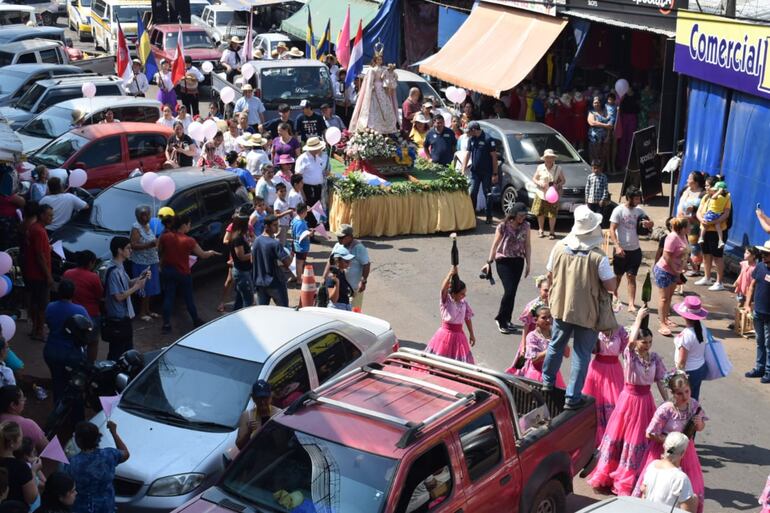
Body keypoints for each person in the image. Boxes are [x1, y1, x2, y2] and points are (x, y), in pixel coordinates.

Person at [587, 308, 668, 495]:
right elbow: (630, 342)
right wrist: (639, 318)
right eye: (643, 341)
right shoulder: (630, 357)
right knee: (622, 436)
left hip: (646, 402)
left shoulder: (654, 358)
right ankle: (613, 472)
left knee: (640, 438)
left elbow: (661, 382)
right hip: (629, 400)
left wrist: (667, 403)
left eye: (649, 342)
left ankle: (634, 473)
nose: (647, 345)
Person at [542, 205, 616, 409]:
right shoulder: (599, 257)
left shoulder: (558, 247)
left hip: (561, 306)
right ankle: (572, 397)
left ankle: (547, 382)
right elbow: (611, 286)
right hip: (588, 311)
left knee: (555, 344)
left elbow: (550, 275)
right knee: (581, 354)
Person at [633, 373, 706, 513]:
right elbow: (649, 433)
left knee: (689, 484)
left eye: (687, 391)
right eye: (679, 393)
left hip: (686, 451)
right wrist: (671, 442)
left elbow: (701, 428)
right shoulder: (666, 409)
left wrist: (699, 424)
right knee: (661, 485)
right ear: (672, 393)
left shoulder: (694, 405)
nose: (685, 396)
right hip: (665, 450)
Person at [158, 215, 219, 333]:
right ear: (184, 225)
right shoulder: (189, 240)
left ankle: (166, 324)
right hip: (183, 273)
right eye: (189, 224)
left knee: (169, 297)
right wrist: (211, 252)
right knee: (188, 298)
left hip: (168, 271)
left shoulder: (165, 237)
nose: (190, 227)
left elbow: (160, 252)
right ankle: (195, 320)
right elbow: (203, 255)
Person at [481, 202, 531, 334]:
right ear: (514, 214)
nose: (522, 218)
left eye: (524, 216)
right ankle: (500, 319)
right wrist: (489, 261)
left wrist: (528, 263)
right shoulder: (503, 226)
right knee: (509, 291)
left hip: (518, 261)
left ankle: (507, 319)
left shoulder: (526, 226)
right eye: (520, 216)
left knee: (512, 292)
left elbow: (527, 245)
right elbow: (495, 244)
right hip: (503, 261)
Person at [583, 321, 630, 446]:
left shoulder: (621, 330)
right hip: (597, 370)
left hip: (614, 370)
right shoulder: (594, 328)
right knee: (596, 402)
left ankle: (614, 434)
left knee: (615, 403)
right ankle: (595, 434)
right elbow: (591, 349)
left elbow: (628, 350)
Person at [66, 421, 128, 513]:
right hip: (106, 506)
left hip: (82, 508)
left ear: (78, 441)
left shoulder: (72, 463)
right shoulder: (109, 455)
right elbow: (125, 453)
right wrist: (114, 432)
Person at [609, 186, 653, 313]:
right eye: (636, 198)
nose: (638, 201)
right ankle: (614, 295)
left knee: (631, 277)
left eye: (639, 198)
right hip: (621, 250)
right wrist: (617, 247)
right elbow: (612, 229)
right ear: (628, 198)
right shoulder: (618, 210)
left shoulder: (639, 211)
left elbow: (650, 222)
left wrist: (650, 224)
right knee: (617, 276)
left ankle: (631, 304)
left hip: (635, 250)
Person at [44, 280, 88, 403]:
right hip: (71, 353)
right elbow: (88, 328)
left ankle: (58, 411)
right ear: (73, 293)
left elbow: (48, 322)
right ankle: (75, 416)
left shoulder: (50, 306)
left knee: (57, 383)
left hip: (52, 350)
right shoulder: (80, 310)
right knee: (75, 386)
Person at [103, 236, 147, 360]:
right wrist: (137, 287)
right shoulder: (113, 271)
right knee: (117, 353)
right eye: (128, 248)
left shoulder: (120, 267)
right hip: (118, 319)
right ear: (119, 250)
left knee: (126, 350)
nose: (130, 251)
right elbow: (118, 296)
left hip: (124, 317)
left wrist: (141, 277)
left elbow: (128, 283)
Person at [636, 432, 698, 511]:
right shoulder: (681, 479)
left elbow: (644, 494)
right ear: (682, 453)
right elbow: (688, 511)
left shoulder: (652, 466)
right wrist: (695, 500)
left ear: (664, 446)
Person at [425, 267, 475, 363]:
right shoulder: (446, 301)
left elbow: (467, 318)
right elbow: (443, 288)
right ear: (453, 294)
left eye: (465, 293)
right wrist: (450, 274)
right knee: (440, 362)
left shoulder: (464, 303)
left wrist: (471, 334)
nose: (464, 296)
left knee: (458, 363)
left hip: (459, 337)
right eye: (462, 294)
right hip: (444, 336)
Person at [62, 250, 103, 362]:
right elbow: (99, 295)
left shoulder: (67, 273)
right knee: (93, 342)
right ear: (90, 263)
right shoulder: (93, 277)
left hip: (70, 313)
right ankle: (90, 365)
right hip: (91, 314)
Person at [512, 305, 567, 387]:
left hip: (554, 373)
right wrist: (553, 347)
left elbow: (567, 354)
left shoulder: (554, 334)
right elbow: (534, 359)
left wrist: (563, 339)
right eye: (544, 318)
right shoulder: (532, 336)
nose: (548, 320)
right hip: (537, 375)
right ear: (535, 320)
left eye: (550, 317)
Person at [653, 217, 689, 336]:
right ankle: (662, 323)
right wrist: (676, 270)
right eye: (688, 226)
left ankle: (666, 318)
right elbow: (666, 256)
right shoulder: (672, 237)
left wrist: (685, 265)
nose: (691, 228)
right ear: (683, 228)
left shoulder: (683, 236)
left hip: (675, 271)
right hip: (664, 271)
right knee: (663, 298)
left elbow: (685, 252)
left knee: (669, 297)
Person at [695, 175, 731, 291]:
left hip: (717, 232)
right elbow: (698, 212)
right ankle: (707, 277)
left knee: (717, 257)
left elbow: (726, 214)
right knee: (706, 254)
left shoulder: (725, 197)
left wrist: (714, 222)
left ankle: (719, 282)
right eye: (705, 185)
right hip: (704, 230)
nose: (706, 188)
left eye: (708, 186)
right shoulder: (705, 197)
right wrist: (702, 220)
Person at [22, 204, 52, 341]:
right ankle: (39, 330)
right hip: (39, 274)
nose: (52, 218)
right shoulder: (39, 231)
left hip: (32, 273)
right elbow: (40, 256)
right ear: (41, 215)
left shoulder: (34, 228)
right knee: (42, 304)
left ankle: (35, 329)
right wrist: (48, 276)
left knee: (34, 302)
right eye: (49, 215)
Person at [349, 51, 398, 133]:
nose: (380, 61)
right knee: (373, 109)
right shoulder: (372, 70)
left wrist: (390, 72)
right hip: (374, 91)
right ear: (375, 60)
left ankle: (387, 127)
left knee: (386, 108)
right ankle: (373, 128)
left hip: (383, 90)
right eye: (378, 59)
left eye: (381, 59)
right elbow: (369, 82)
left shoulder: (384, 69)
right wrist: (371, 89)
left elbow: (390, 78)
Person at [671, 296, 709, 400]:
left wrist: (678, 376)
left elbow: (682, 361)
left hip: (689, 372)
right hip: (699, 368)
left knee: (684, 400)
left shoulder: (686, 335)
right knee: (693, 398)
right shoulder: (701, 326)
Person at [325, 224, 371, 310]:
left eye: (341, 237)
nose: (339, 239)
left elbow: (366, 264)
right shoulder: (338, 245)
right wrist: (324, 277)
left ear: (350, 236)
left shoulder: (359, 248)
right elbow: (330, 261)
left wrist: (363, 281)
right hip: (338, 289)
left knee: (354, 311)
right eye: (338, 236)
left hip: (353, 289)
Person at [461, 121, 498, 224]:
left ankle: (489, 216)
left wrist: (495, 173)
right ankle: (473, 215)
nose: (467, 133)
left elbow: (494, 157)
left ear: (474, 130)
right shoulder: (471, 139)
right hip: (475, 172)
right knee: (473, 192)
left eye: (469, 131)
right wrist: (463, 168)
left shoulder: (488, 139)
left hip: (487, 172)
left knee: (488, 194)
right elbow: (468, 154)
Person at [128, 205, 160, 323]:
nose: (145, 217)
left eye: (147, 214)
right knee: (144, 288)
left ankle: (148, 310)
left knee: (150, 288)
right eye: (143, 215)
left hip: (152, 261)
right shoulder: (136, 228)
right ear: (138, 216)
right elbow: (134, 245)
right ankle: (142, 313)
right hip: (142, 263)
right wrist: (149, 245)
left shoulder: (149, 225)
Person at [251, 214, 291, 306]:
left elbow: (252, 261)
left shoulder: (256, 241)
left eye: (278, 224)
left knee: (263, 312)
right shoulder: (275, 244)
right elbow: (288, 263)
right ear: (266, 226)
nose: (277, 227)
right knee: (284, 311)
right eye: (275, 225)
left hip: (260, 283)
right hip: (275, 284)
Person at [745, 241, 770, 382]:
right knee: (760, 341)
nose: (763, 256)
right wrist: (748, 304)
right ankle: (760, 368)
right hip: (758, 313)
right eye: (763, 253)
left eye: (767, 254)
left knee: (769, 344)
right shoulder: (760, 267)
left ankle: (768, 371)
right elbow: (751, 286)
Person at [235, 380, 280, 450]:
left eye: (265, 398)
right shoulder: (247, 416)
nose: (262, 402)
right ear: (253, 398)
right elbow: (239, 446)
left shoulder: (279, 413)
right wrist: (249, 432)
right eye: (259, 398)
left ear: (270, 397)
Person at [0, 422, 37, 506]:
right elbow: (31, 498)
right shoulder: (21, 467)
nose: (22, 438)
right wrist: (34, 471)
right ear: (12, 443)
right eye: (20, 436)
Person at [0, 387, 47, 453]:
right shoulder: (27, 424)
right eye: (22, 399)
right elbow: (48, 449)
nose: (25, 400)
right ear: (13, 405)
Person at [295, 137, 328, 228]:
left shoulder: (317, 157)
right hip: (307, 188)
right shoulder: (302, 159)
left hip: (317, 187)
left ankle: (313, 230)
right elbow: (298, 177)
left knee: (315, 211)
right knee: (309, 212)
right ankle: (309, 231)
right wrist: (302, 193)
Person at [677, 171, 706, 277]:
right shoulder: (686, 189)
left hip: (694, 224)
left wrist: (692, 215)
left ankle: (696, 268)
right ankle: (683, 264)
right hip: (681, 222)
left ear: (696, 182)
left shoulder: (702, 194)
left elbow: (703, 209)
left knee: (694, 245)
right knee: (682, 244)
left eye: (689, 178)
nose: (687, 180)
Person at [531, 149, 565, 239]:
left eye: (551, 157)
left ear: (554, 158)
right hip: (541, 193)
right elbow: (534, 178)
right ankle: (541, 230)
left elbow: (563, 180)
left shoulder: (558, 168)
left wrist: (557, 185)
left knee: (552, 214)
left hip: (552, 195)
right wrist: (539, 183)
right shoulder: (540, 167)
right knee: (540, 213)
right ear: (544, 158)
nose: (549, 159)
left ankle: (552, 232)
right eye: (547, 157)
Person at [228, 210, 253, 310]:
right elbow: (241, 257)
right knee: (248, 300)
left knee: (239, 299)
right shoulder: (237, 238)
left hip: (243, 271)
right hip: (242, 272)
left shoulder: (241, 236)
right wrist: (253, 253)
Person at [698, 180, 728, 249]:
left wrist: (719, 191)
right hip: (717, 215)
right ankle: (720, 240)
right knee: (717, 226)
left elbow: (714, 197)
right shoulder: (725, 197)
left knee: (705, 224)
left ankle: (701, 237)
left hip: (711, 213)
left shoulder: (719, 196)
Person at [587, 96, 614, 171]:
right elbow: (592, 122)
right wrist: (605, 125)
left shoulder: (605, 112)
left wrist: (608, 136)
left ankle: (601, 171)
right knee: (594, 155)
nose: (596, 104)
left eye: (598, 102)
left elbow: (610, 124)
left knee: (603, 155)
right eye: (595, 102)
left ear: (600, 103)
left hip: (604, 138)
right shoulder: (591, 112)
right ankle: (593, 171)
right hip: (594, 138)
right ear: (592, 104)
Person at [291, 203, 312, 280]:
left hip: (294, 244)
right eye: (306, 211)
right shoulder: (301, 223)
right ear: (304, 212)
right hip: (301, 247)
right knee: (299, 263)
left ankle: (293, 277)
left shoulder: (295, 219)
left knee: (294, 262)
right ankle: (299, 279)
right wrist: (309, 234)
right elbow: (300, 236)